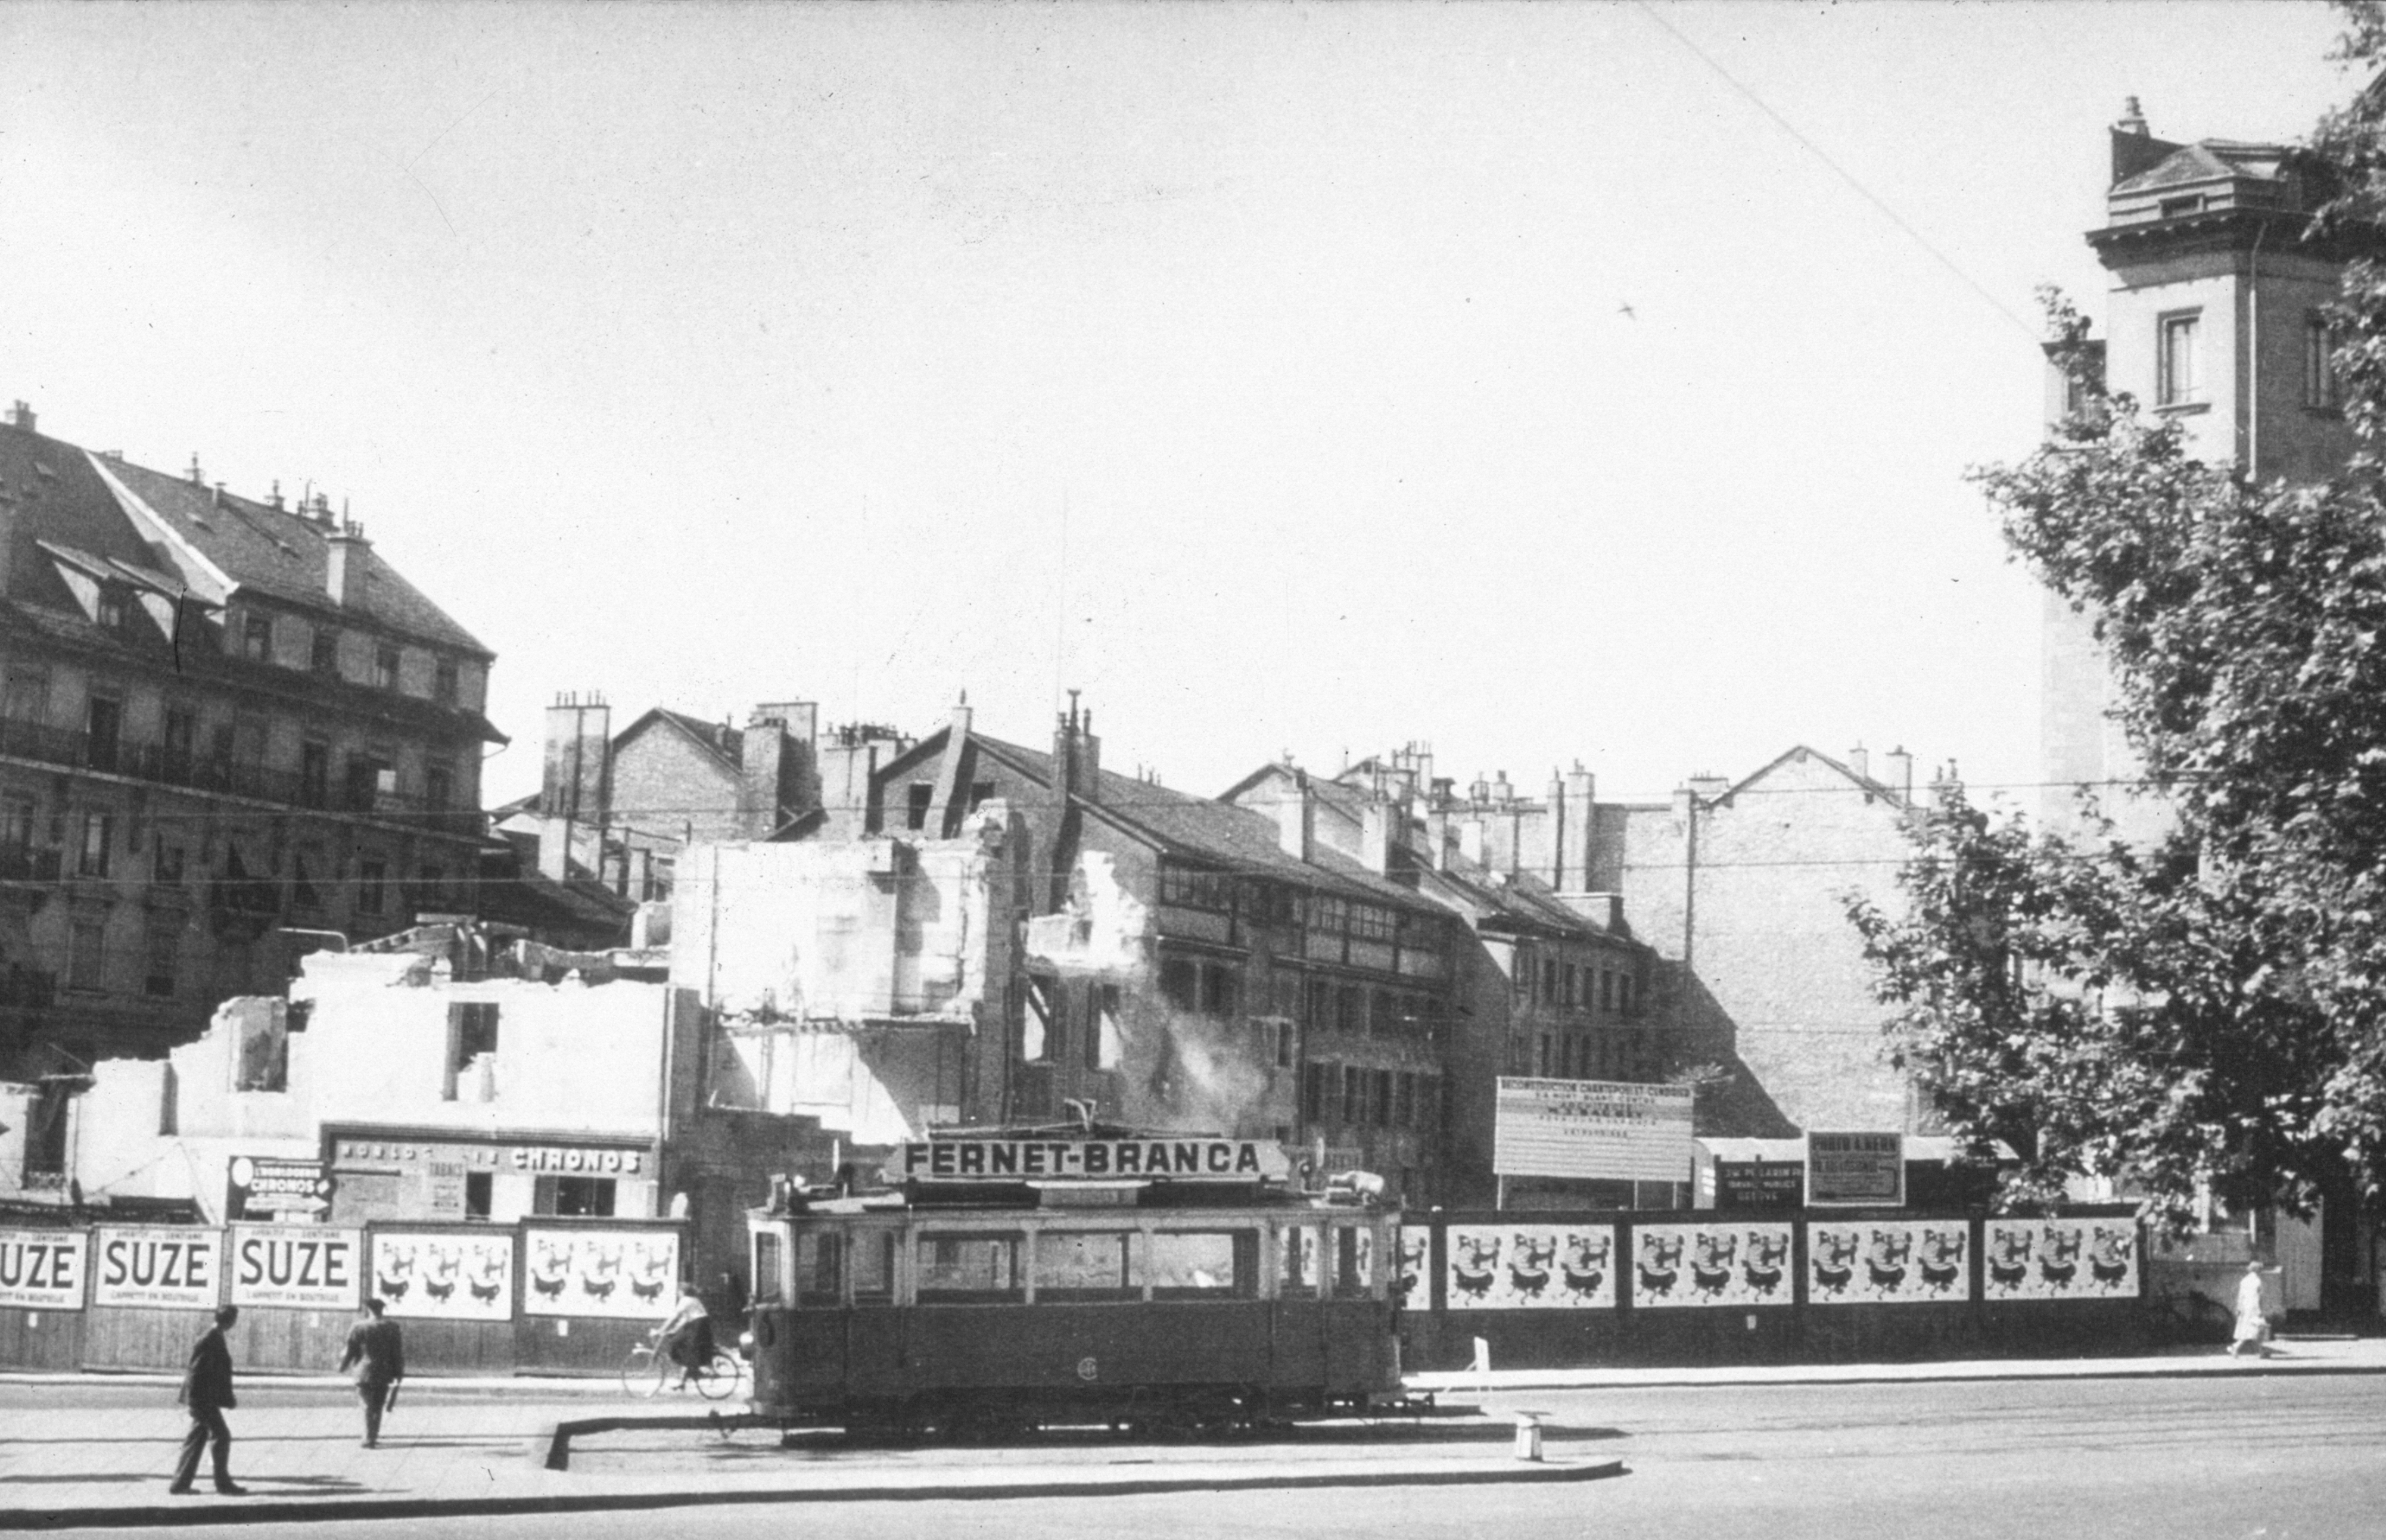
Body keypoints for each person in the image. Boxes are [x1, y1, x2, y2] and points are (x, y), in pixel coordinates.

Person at [169, 1306, 247, 1496]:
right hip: (202, 1399)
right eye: (233, 1320)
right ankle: (223, 1483)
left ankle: (180, 1484)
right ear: (229, 1321)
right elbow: (196, 1372)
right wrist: (195, 1400)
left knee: (196, 1439)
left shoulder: (214, 1336)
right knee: (222, 1436)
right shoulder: (210, 1339)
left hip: (203, 1398)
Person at [338, 1297, 406, 1446]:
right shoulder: (392, 1327)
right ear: (382, 1310)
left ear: (369, 1310)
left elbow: (351, 1350)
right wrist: (399, 1373)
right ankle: (373, 1435)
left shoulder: (359, 1327)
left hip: (363, 1372)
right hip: (384, 1371)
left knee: (366, 1405)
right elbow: (397, 1353)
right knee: (378, 1404)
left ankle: (368, 1437)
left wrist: (342, 1366)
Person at [655, 1284, 714, 1389]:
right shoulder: (694, 1300)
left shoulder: (686, 1300)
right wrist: (672, 1331)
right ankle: (687, 1377)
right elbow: (684, 1320)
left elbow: (674, 1317)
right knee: (678, 1343)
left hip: (698, 1327)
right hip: (699, 1325)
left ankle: (690, 1374)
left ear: (682, 1292)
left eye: (679, 1291)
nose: (678, 1293)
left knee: (685, 1348)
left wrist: (660, 1331)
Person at [2230, 1259, 2275, 1358]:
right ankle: (2239, 1347)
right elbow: (2257, 1297)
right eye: (2260, 1269)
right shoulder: (2258, 1281)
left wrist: (2239, 1308)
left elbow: (2241, 1296)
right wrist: (2259, 1310)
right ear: (2258, 1270)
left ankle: (2259, 1351)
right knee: (2257, 1330)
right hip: (2254, 1309)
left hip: (2245, 1308)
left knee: (2250, 1330)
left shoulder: (2244, 1280)